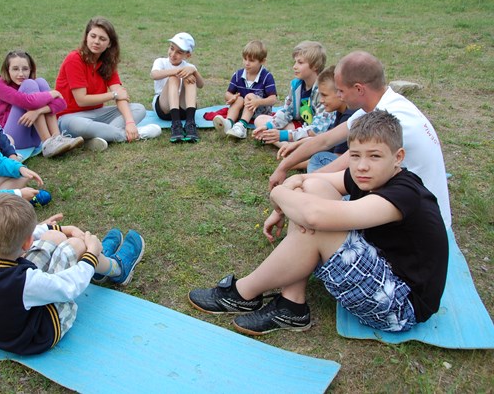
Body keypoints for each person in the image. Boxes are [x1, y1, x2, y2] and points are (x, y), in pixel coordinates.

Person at [189, 110, 449, 336]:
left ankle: (243, 293)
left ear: (398, 157)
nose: (362, 166)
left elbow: (314, 216)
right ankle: (291, 304)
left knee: (318, 223)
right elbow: (310, 182)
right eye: (355, 155)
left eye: (374, 156)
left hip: (400, 305)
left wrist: (278, 194)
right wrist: (292, 187)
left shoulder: (405, 193)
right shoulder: (367, 175)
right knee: (312, 190)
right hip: (381, 268)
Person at [269, 51, 452, 228]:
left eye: (341, 90)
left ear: (358, 89)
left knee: (314, 192)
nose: (339, 96)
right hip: (403, 198)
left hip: (416, 216)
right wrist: (283, 167)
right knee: (314, 183)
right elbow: (325, 140)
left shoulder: (389, 119)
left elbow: (340, 165)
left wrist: (291, 192)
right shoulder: (384, 104)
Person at [0, 193, 145, 355]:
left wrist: (60, 229)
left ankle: (99, 265)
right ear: (27, 243)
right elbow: (69, 287)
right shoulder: (23, 282)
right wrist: (90, 254)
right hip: (36, 334)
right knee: (75, 246)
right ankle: (116, 269)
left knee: (53, 238)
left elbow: (23, 236)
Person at [55, 16, 162, 152]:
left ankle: (97, 137)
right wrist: (113, 95)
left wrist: (129, 122)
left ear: (109, 43)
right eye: (93, 36)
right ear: (86, 36)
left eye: (102, 39)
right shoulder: (74, 59)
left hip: (97, 115)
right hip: (69, 118)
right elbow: (81, 100)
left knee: (138, 109)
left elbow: (121, 95)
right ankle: (138, 134)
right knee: (82, 125)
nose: (96, 41)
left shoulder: (107, 63)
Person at [0, 50, 83, 157]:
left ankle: (56, 137)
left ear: (30, 70)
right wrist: (52, 94)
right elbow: (30, 102)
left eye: (25, 69)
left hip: (34, 139)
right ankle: (47, 142)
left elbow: (61, 104)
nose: (21, 74)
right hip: (10, 138)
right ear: (7, 70)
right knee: (30, 85)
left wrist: (37, 112)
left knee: (41, 82)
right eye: (15, 69)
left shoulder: (33, 84)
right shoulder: (0, 87)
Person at [252, 41, 334, 150]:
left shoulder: (323, 91)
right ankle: (288, 147)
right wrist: (268, 127)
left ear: (315, 66)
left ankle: (290, 148)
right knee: (260, 120)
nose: (294, 66)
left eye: (300, 62)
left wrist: (283, 135)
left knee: (312, 141)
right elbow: (287, 112)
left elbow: (317, 130)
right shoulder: (296, 86)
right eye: (295, 62)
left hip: (317, 135)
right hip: (301, 128)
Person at [213, 40, 277, 140]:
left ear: (262, 61)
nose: (247, 63)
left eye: (251, 60)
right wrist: (232, 97)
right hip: (242, 109)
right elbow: (227, 93)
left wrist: (258, 102)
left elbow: (273, 99)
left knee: (249, 96)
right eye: (245, 59)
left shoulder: (267, 76)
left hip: (261, 112)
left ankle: (242, 127)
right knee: (239, 99)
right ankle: (229, 123)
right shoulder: (238, 75)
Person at [150, 32, 205, 143]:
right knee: (173, 77)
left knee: (190, 77)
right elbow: (154, 75)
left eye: (179, 52)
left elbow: (200, 85)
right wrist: (176, 71)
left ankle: (190, 123)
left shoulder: (189, 67)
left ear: (187, 55)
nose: (173, 54)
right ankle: (176, 125)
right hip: (164, 109)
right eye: (171, 48)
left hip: (183, 111)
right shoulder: (160, 61)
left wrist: (194, 71)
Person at [304, 66, 355, 173]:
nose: (321, 100)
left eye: (324, 95)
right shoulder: (340, 111)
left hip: (349, 166)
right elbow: (325, 140)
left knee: (319, 158)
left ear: (340, 93)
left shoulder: (349, 116)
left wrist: (294, 164)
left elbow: (338, 157)